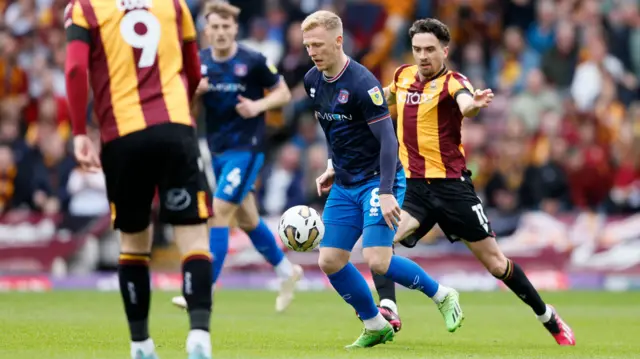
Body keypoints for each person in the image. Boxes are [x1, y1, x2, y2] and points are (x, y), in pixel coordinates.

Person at [373, 18, 575, 346]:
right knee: (380, 244)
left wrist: (473, 106)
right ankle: (388, 308)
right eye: (417, 50)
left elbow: (466, 104)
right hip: (414, 190)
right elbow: (383, 99)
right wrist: (357, 102)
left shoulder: (454, 81)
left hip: (453, 190)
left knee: (497, 265)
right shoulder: (403, 76)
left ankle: (546, 315)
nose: (423, 56)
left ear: (445, 51)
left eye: (430, 50)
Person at [301, 10, 463, 349]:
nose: (312, 52)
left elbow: (389, 141)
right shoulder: (312, 81)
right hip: (346, 183)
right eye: (307, 46)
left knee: (377, 258)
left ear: (338, 41)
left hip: (378, 180)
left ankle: (442, 294)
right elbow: (336, 131)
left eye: (318, 44)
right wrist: (333, 165)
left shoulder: (363, 84)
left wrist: (387, 191)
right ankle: (375, 323)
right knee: (329, 260)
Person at [64, 0, 214, 358]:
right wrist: (184, 110)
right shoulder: (175, 6)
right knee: (193, 237)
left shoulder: (84, 8)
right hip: (175, 129)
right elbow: (195, 72)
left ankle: (141, 344)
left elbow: (74, 70)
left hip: (123, 135)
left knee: (133, 245)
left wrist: (80, 132)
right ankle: (198, 336)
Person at [170, 1, 303, 313]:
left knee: (218, 213)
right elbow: (185, 110)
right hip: (216, 151)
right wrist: (194, 92)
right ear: (206, 30)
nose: (219, 32)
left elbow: (283, 93)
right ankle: (287, 271)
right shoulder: (199, 63)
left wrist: (257, 107)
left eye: (225, 27)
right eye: (214, 27)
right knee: (246, 218)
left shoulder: (253, 61)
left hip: (248, 149)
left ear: (234, 29)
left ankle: (203, 291)